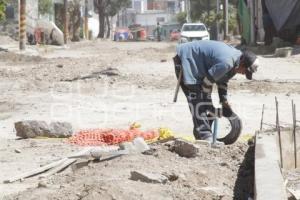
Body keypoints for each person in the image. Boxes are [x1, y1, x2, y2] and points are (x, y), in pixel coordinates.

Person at [173, 40, 259, 141]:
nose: (244, 74)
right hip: (187, 59)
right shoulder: (227, 62)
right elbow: (206, 83)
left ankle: (200, 133)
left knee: (203, 99)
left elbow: (222, 79)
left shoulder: (236, 60)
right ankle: (205, 135)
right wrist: (210, 106)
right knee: (198, 98)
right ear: (243, 63)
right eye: (245, 71)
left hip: (197, 63)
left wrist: (224, 101)